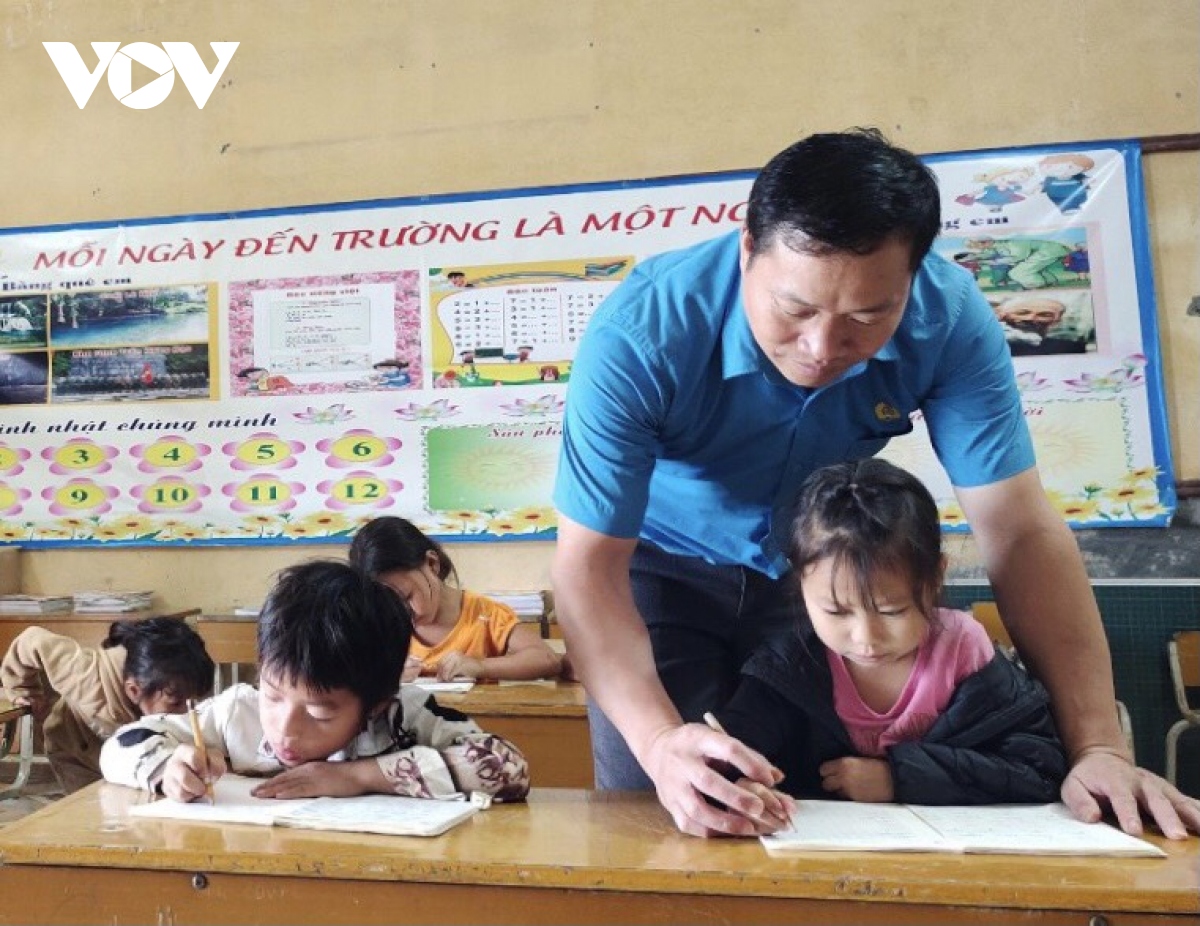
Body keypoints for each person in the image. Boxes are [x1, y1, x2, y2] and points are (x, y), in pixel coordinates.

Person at [551, 127, 1200, 839]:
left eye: (868, 316)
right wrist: (656, 744)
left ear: (914, 279)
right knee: (671, 805)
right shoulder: (644, 332)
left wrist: (1098, 749)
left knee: (813, 809)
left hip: (820, 580)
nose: (824, 349)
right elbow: (588, 567)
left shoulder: (949, 321)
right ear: (747, 252)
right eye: (795, 310)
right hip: (657, 578)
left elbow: (1018, 529)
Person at [712, 459, 1067, 825]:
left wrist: (899, 778)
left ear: (934, 579)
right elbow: (728, 757)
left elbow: (1039, 768)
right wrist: (739, 786)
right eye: (836, 612)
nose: (866, 639)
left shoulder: (964, 651)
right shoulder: (790, 664)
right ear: (802, 581)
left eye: (893, 611)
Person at [100, 561, 530, 804]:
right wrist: (167, 767)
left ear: (375, 704)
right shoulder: (237, 713)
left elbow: (509, 770)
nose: (285, 727)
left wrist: (359, 776)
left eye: (321, 711)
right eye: (273, 694)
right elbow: (120, 745)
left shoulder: (405, 718)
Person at [1, 618, 214, 793]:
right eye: (176, 703)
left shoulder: (161, 688)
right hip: (76, 752)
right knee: (93, 813)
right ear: (134, 690)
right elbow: (31, 640)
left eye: (191, 702)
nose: (184, 713)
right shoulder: (86, 674)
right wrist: (23, 690)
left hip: (124, 751)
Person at [349, 517, 562, 683]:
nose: (401, 613)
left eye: (407, 597)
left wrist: (481, 667)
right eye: (388, 605)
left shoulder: (485, 615)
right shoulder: (380, 625)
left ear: (432, 564)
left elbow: (546, 659)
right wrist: (383, 675)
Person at [992, 295, 1089, 356]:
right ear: (1002, 316)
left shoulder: (1071, 348)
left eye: (1044, 315)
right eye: (1022, 313)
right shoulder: (992, 345)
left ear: (1057, 320)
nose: (1030, 318)